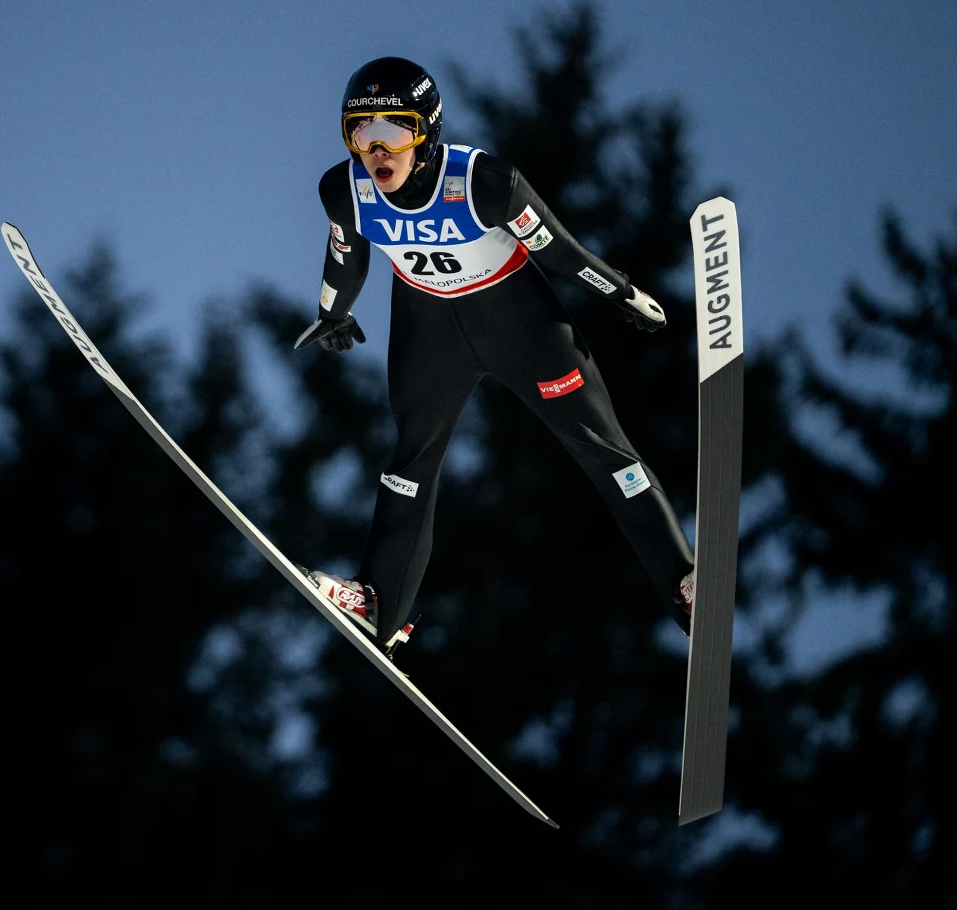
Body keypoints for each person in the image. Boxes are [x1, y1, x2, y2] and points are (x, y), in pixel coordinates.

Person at [296, 56, 694, 658]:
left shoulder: (484, 181)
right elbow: (346, 257)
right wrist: (331, 311)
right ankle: (380, 605)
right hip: (430, 329)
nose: (377, 151)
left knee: (601, 447)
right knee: (410, 461)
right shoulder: (343, 189)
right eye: (361, 133)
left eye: (394, 132)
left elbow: (558, 250)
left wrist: (621, 292)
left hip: (518, 323)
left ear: (426, 132)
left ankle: (684, 582)